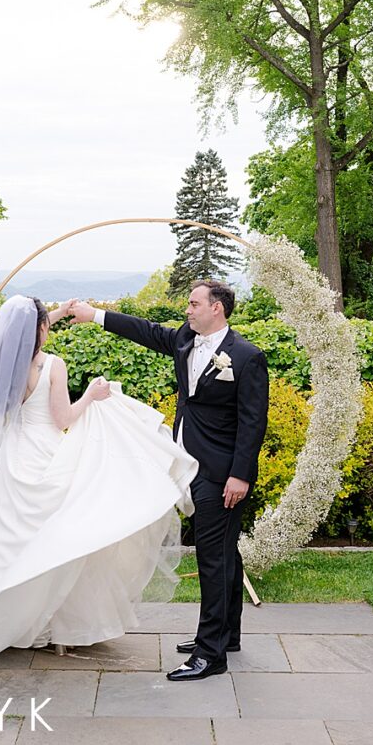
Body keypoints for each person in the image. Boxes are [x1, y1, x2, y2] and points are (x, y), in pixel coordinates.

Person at [0, 294, 198, 670]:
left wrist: (55, 313)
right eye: (46, 323)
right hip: (49, 458)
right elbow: (63, 419)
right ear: (40, 329)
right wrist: (92, 396)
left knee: (17, 544)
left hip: (14, 462)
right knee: (62, 544)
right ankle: (57, 627)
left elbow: (20, 332)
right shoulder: (53, 364)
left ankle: (9, 624)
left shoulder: (3, 363)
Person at [69, 280, 268, 681]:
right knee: (225, 551)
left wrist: (239, 476)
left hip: (223, 474)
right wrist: (95, 316)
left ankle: (210, 655)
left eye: (194, 304)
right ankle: (226, 634)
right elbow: (146, 330)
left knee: (213, 559)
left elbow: (252, 422)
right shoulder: (183, 340)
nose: (188, 310)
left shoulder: (246, 357)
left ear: (217, 308)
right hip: (189, 464)